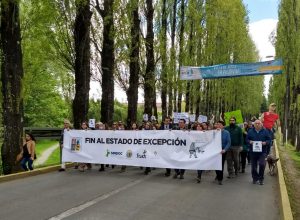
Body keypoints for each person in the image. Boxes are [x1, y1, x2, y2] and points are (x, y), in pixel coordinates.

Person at [246, 120, 271, 185]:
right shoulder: (250, 131)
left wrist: (265, 143)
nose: (257, 124)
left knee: (262, 164)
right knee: (253, 167)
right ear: (254, 125)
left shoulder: (265, 131)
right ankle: (255, 178)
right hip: (253, 152)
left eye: (258, 123)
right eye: (256, 123)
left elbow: (269, 140)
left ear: (261, 124)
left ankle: (261, 179)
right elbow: (247, 139)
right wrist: (250, 142)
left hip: (262, 152)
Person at [215, 121, 231, 185]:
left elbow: (229, 142)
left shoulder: (226, 133)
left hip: (222, 151)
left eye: (220, 125)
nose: (218, 126)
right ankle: (217, 174)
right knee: (215, 164)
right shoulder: (214, 132)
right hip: (215, 150)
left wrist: (225, 149)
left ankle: (220, 179)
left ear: (223, 126)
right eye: (217, 124)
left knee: (220, 164)